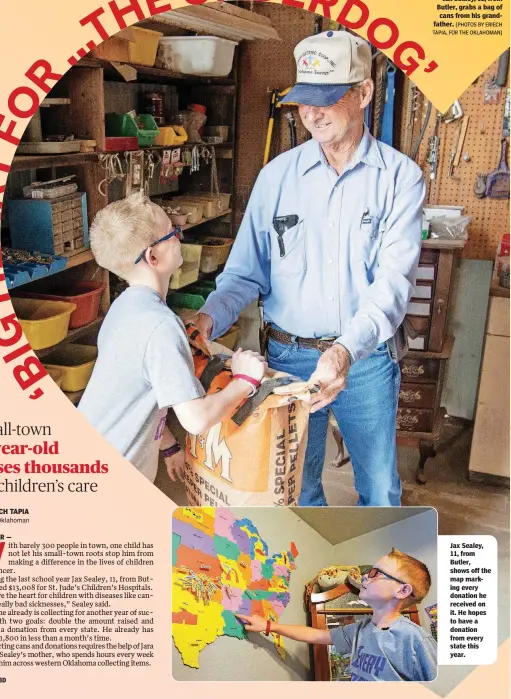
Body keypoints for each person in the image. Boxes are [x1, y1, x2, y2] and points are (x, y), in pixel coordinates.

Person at [194, 30, 425, 507]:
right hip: (288, 359)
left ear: (363, 93)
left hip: (365, 360)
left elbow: (392, 285)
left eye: (327, 99)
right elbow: (244, 273)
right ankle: (315, 575)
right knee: (296, 484)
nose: (312, 114)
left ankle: (376, 579)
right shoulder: (277, 177)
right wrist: (208, 316)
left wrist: (344, 352)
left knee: (380, 488)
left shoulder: (401, 179)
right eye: (303, 102)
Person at [78, 192, 267, 484]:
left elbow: (139, 392)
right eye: (173, 232)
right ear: (152, 257)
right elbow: (196, 419)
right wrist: (245, 381)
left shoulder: (124, 308)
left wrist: (167, 444)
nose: (181, 236)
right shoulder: (161, 326)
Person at [236, 548, 437, 682]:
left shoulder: (415, 639)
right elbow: (315, 635)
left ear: (402, 591)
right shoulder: (360, 630)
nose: (365, 575)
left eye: (376, 573)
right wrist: (268, 626)